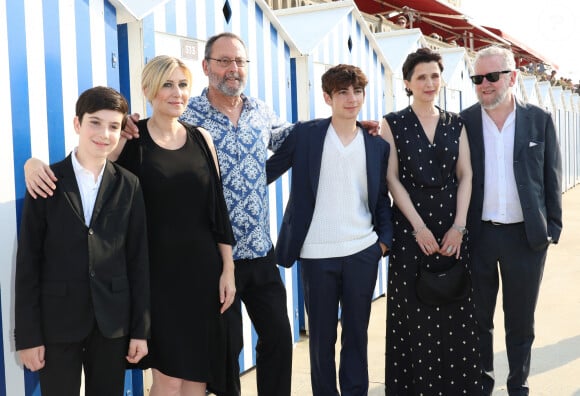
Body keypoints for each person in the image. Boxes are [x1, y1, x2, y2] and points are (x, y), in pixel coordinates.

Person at [25, 55, 237, 396]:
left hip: (202, 273)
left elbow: (218, 210)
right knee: (167, 377)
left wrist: (227, 268)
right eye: (167, 84)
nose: (176, 93)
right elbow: (86, 166)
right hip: (156, 276)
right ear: (148, 89)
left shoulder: (202, 139)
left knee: (198, 375)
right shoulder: (131, 142)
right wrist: (32, 164)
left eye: (182, 84)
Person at [266, 64, 393, 396]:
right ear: (327, 97)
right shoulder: (306, 135)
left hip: (362, 253)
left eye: (357, 92)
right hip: (316, 255)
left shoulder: (377, 144)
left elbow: (382, 199)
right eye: (342, 92)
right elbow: (265, 172)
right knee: (321, 341)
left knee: (356, 337)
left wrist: (382, 244)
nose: (351, 99)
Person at [14, 86, 150, 396]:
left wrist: (140, 331)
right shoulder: (47, 180)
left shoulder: (129, 185)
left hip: (112, 324)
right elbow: (28, 263)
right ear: (78, 124)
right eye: (95, 122)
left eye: (114, 126)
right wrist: (28, 337)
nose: (104, 133)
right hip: (57, 324)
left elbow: (138, 260)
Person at [461, 45, 563, 396]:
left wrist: (552, 228)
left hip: (526, 238)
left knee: (520, 322)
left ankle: (518, 384)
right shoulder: (464, 122)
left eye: (492, 76)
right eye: (478, 78)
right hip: (480, 237)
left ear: (512, 77)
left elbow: (551, 176)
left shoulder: (540, 119)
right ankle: (481, 384)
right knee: (477, 320)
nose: (485, 85)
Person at [381, 47, 482, 394]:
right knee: (415, 319)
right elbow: (391, 179)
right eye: (421, 77)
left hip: (453, 231)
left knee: (456, 314)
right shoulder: (391, 123)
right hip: (412, 233)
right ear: (407, 82)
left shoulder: (457, 122)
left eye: (434, 76)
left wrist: (459, 226)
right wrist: (418, 227)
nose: (429, 82)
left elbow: (466, 175)